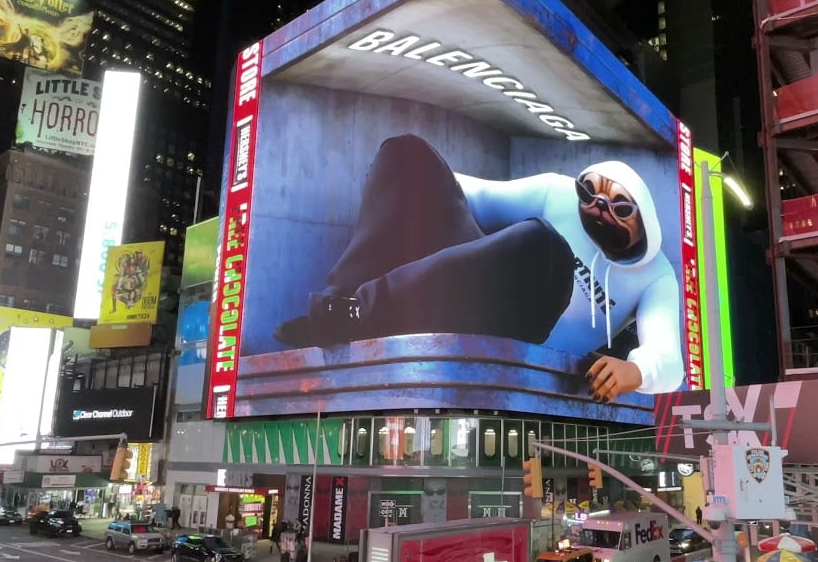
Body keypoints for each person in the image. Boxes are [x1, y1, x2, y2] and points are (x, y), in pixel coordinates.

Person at [272, 134, 685, 402]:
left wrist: (634, 370)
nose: (598, 209)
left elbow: (670, 362)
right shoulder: (556, 193)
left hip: (524, 337)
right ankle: (339, 311)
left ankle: (364, 310)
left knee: (545, 244)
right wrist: (406, 180)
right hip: (469, 287)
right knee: (409, 153)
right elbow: (470, 192)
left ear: (641, 223)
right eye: (590, 193)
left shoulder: (655, 277)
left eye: (620, 207)